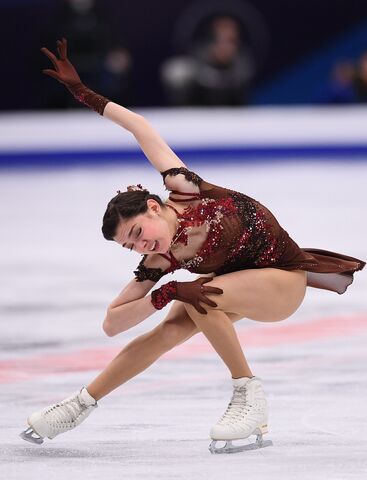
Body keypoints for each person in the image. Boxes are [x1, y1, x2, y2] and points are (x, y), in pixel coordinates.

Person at [20, 39, 365, 454]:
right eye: (130, 246)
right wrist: (164, 293)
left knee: (204, 297)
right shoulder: (160, 259)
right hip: (236, 285)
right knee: (174, 324)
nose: (140, 245)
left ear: (152, 206)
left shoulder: (185, 189)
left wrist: (85, 95)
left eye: (137, 232)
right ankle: (80, 404)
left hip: (283, 282)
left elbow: (140, 128)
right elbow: (112, 323)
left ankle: (248, 395)